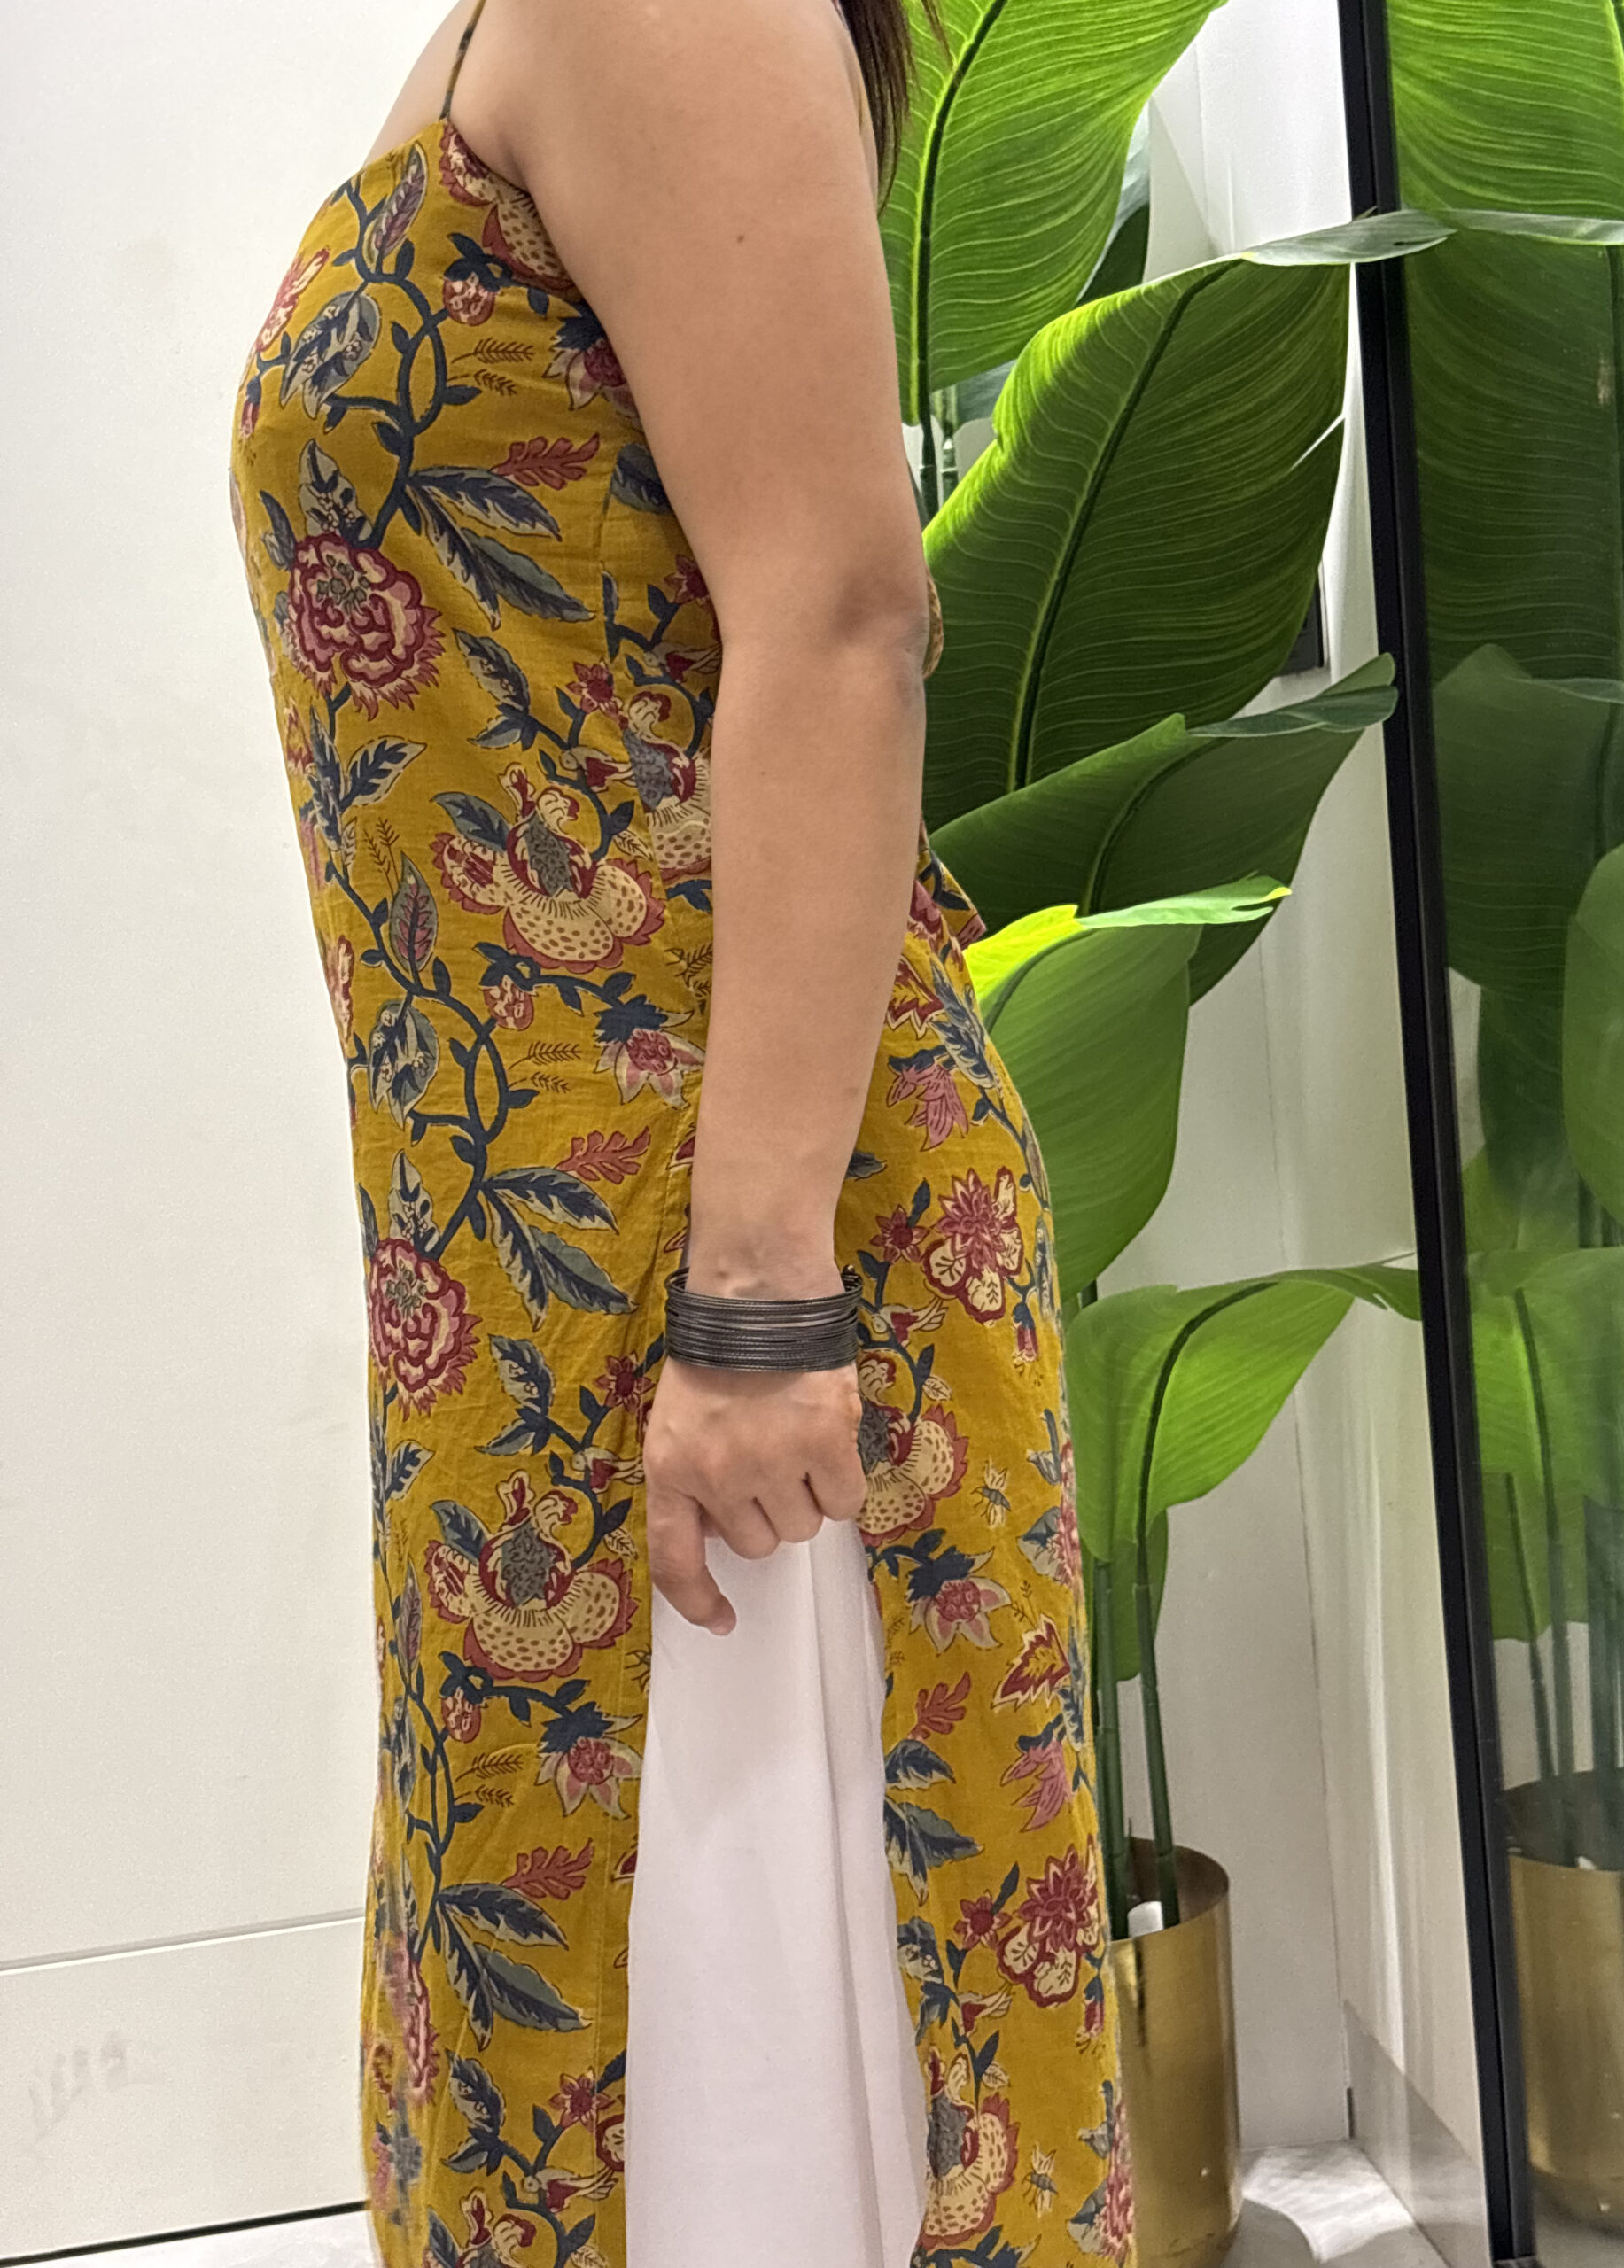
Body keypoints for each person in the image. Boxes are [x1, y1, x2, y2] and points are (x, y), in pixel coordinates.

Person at [227, 1, 1131, 2262]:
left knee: (746, 2131)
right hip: (540, 1265)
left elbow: (840, 615)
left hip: (710, 1274)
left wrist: (757, 1304)